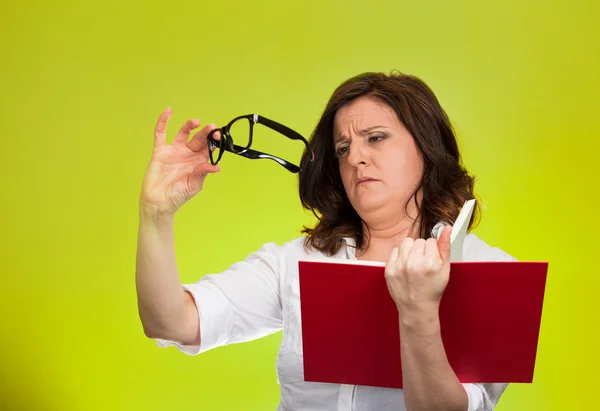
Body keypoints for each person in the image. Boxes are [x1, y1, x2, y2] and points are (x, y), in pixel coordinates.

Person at [136, 71, 517, 411]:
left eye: (376, 138)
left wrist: (418, 311)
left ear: (427, 146)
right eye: (343, 149)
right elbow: (170, 322)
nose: (356, 158)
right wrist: (157, 213)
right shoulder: (298, 261)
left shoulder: (492, 274)